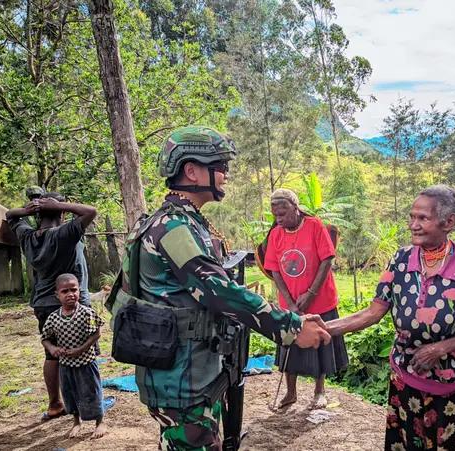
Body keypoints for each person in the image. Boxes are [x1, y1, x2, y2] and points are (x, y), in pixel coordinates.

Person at [116, 125, 330, 451]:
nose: (226, 176)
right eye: (220, 167)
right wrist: (291, 326)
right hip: (180, 379)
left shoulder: (181, 222)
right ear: (191, 171)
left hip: (187, 372)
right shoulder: (172, 227)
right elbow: (218, 291)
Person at [324, 185, 455, 451]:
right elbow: (373, 312)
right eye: (412, 217)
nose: (413, 225)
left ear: (449, 222)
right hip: (407, 380)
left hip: (454, 384)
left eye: (422, 218)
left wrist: (438, 349)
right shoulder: (401, 259)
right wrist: (322, 328)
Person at [6, 193, 97, 422]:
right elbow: (91, 211)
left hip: (44, 305)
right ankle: (88, 405)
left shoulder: (27, 236)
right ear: (63, 212)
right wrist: (58, 204)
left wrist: (29, 211)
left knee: (52, 355)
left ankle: (56, 404)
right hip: (76, 306)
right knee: (85, 355)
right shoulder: (64, 233)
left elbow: (9, 215)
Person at [264, 188, 348, 409]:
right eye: (275, 216)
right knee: (289, 346)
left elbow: (327, 260)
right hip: (290, 304)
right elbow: (274, 270)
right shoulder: (276, 234)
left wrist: (310, 293)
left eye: (283, 214)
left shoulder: (314, 225)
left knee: (320, 346)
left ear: (295, 207)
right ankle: (290, 393)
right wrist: (290, 302)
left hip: (319, 300)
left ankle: (320, 391)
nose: (279, 220)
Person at [41, 273, 108, 439]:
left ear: (79, 291)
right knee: (70, 393)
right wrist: (52, 348)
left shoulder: (86, 313)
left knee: (91, 391)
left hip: (86, 362)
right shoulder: (54, 318)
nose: (70, 294)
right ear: (57, 295)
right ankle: (76, 421)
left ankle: (100, 421)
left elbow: (97, 333)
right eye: (65, 291)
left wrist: (81, 349)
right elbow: (45, 338)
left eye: (74, 289)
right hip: (66, 365)